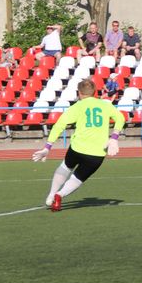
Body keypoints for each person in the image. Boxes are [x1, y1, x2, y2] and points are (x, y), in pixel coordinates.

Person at [32, 78, 125, 211]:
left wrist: (47, 147)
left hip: (77, 148)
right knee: (79, 177)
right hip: (97, 152)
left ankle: (52, 193)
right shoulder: (106, 104)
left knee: (65, 166)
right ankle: (60, 195)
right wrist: (114, 137)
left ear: (79, 93)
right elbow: (121, 118)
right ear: (95, 92)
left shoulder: (76, 106)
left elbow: (59, 125)